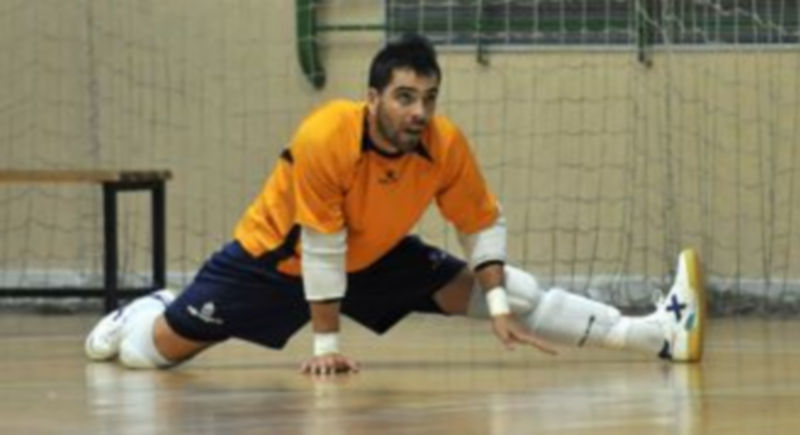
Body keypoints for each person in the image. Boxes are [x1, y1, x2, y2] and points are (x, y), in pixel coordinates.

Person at [84, 34, 706, 374]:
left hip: (376, 255)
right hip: (277, 260)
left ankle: (656, 335)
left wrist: (493, 306)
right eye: (405, 97)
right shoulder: (326, 136)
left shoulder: (442, 143)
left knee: (516, 293)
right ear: (373, 97)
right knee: (149, 358)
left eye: (428, 98)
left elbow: (481, 224)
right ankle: (149, 309)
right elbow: (322, 250)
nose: (419, 112)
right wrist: (326, 352)